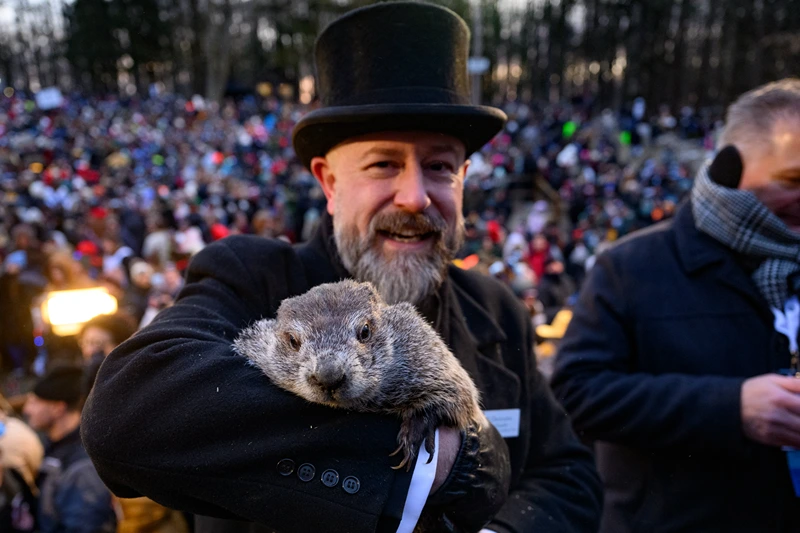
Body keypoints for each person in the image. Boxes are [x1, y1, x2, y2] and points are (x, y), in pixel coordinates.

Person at [82, 3, 602, 533]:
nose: (416, 196)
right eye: (384, 164)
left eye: (440, 166)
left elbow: (568, 475)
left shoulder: (496, 308)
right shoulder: (251, 275)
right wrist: (442, 467)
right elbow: (123, 418)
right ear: (329, 182)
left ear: (464, 178)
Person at [551, 78, 800, 532]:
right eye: (793, 180)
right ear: (729, 169)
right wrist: (731, 408)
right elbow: (576, 394)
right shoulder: (629, 267)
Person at [23, 366, 117, 533]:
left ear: (57, 408)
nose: (26, 410)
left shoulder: (82, 466)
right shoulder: (54, 444)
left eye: (34, 402)